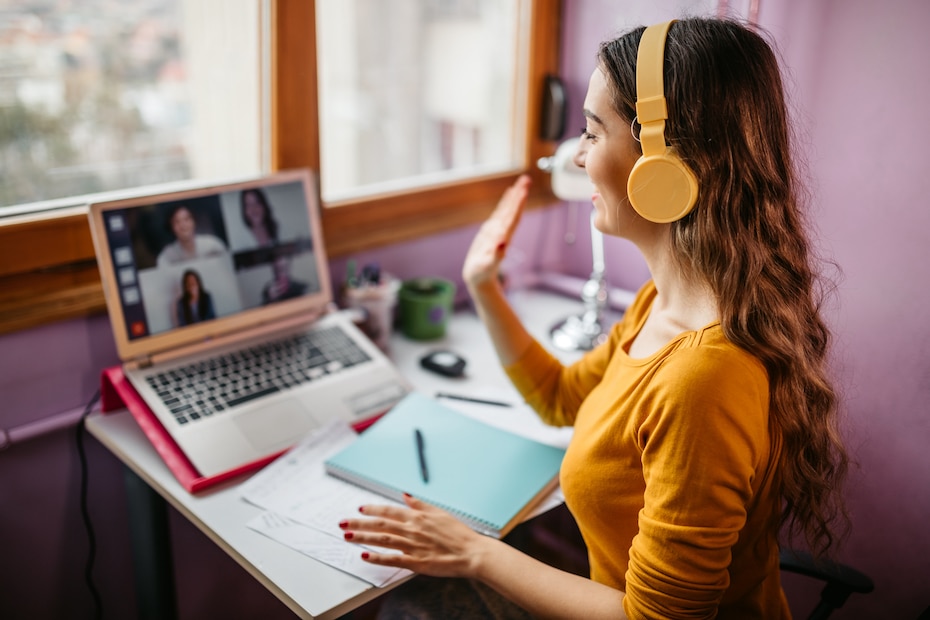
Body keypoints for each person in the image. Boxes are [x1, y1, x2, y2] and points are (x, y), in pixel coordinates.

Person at [337, 18, 849, 619]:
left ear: (663, 163)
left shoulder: (704, 379)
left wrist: (476, 554)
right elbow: (561, 399)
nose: (578, 158)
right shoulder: (660, 305)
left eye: (592, 132)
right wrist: (484, 287)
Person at [156, 204, 227, 267]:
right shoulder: (166, 257)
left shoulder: (213, 244)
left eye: (186, 219)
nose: (183, 225)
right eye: (177, 222)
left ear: (194, 221)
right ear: (171, 227)